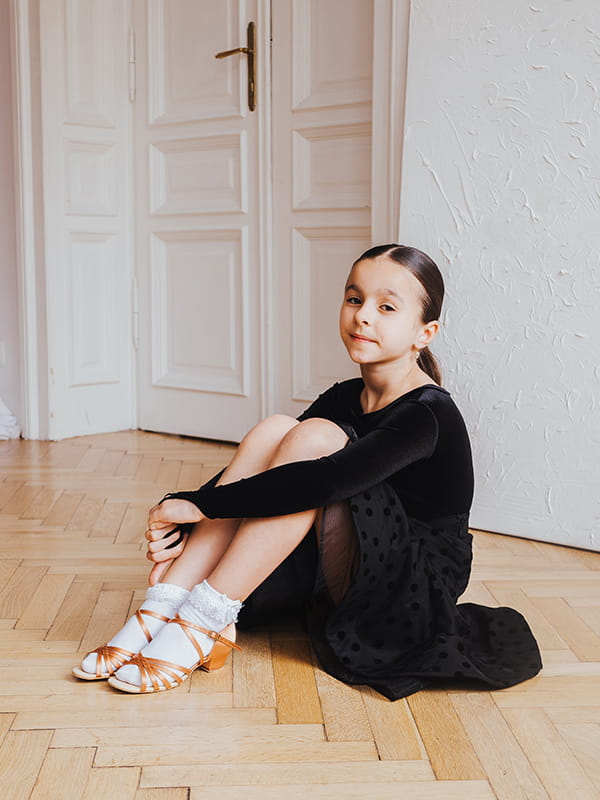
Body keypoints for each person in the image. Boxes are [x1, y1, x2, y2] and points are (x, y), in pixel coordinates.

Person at [73, 244, 542, 699]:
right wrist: (184, 516)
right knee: (277, 430)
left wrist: (199, 506)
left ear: (426, 333)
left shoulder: (427, 413)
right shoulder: (344, 397)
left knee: (314, 441)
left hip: (410, 593)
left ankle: (202, 620)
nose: (362, 316)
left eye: (386, 307)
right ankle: (162, 608)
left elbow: (323, 482)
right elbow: (269, 474)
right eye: (354, 299)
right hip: (346, 562)